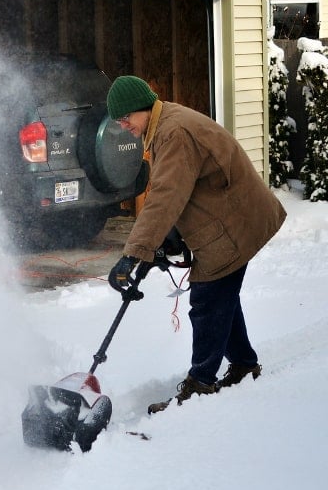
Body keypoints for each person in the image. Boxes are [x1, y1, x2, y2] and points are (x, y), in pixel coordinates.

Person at [105, 76, 286, 414]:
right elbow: (180, 190)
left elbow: (164, 198)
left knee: (208, 300)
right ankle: (245, 364)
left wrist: (133, 254)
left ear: (141, 108)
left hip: (235, 222)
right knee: (222, 298)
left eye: (125, 117)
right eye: (118, 120)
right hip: (228, 216)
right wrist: (158, 243)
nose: (122, 125)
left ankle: (201, 382)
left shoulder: (174, 133)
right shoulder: (163, 125)